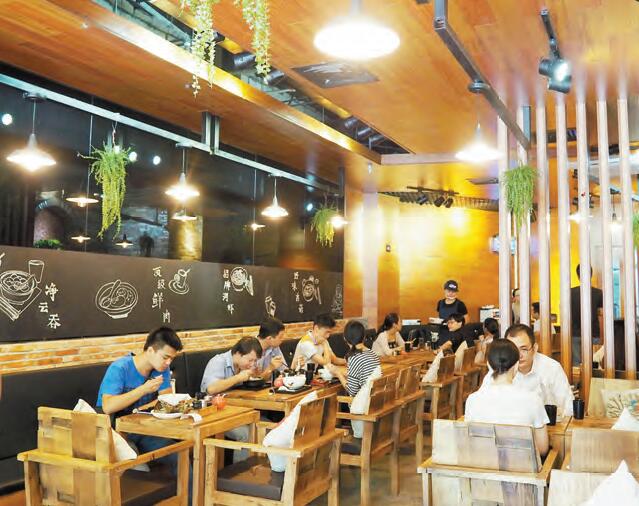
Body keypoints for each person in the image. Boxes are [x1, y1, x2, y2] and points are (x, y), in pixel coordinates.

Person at [97, 327, 183, 472]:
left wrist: (142, 408)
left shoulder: (161, 370)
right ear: (150, 350)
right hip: (114, 433)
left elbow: (166, 400)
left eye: (172, 359)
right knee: (137, 466)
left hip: (142, 430)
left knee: (177, 455)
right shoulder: (120, 368)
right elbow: (108, 407)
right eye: (165, 357)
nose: (168, 362)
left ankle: (193, 488)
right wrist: (143, 389)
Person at [465, 339, 549, 456]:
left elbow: (471, 442)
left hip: (484, 464)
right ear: (516, 365)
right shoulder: (533, 399)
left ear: (489, 364)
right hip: (521, 466)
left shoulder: (473, 400)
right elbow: (542, 448)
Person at [480, 324, 574, 417]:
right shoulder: (500, 369)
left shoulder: (551, 368)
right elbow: (482, 402)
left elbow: (570, 407)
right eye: (513, 350)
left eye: (524, 349)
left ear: (535, 348)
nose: (519, 355)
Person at [200, 336, 263, 462]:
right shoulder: (218, 362)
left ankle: (257, 468)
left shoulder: (241, 367)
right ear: (238, 354)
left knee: (263, 426)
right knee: (246, 434)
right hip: (213, 415)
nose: (252, 364)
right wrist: (239, 378)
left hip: (234, 411)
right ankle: (241, 471)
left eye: (255, 361)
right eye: (250, 360)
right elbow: (211, 388)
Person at [328, 320, 381, 438]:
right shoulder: (372, 354)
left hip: (362, 412)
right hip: (374, 406)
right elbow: (363, 377)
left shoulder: (354, 358)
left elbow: (352, 390)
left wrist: (338, 373)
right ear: (364, 337)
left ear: (345, 338)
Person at [570, 264, 604, 366]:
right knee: (593, 362)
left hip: (575, 333)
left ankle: (577, 377)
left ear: (578, 276)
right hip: (593, 332)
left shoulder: (570, 292)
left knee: (576, 363)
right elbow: (600, 313)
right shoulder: (598, 293)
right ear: (591, 275)